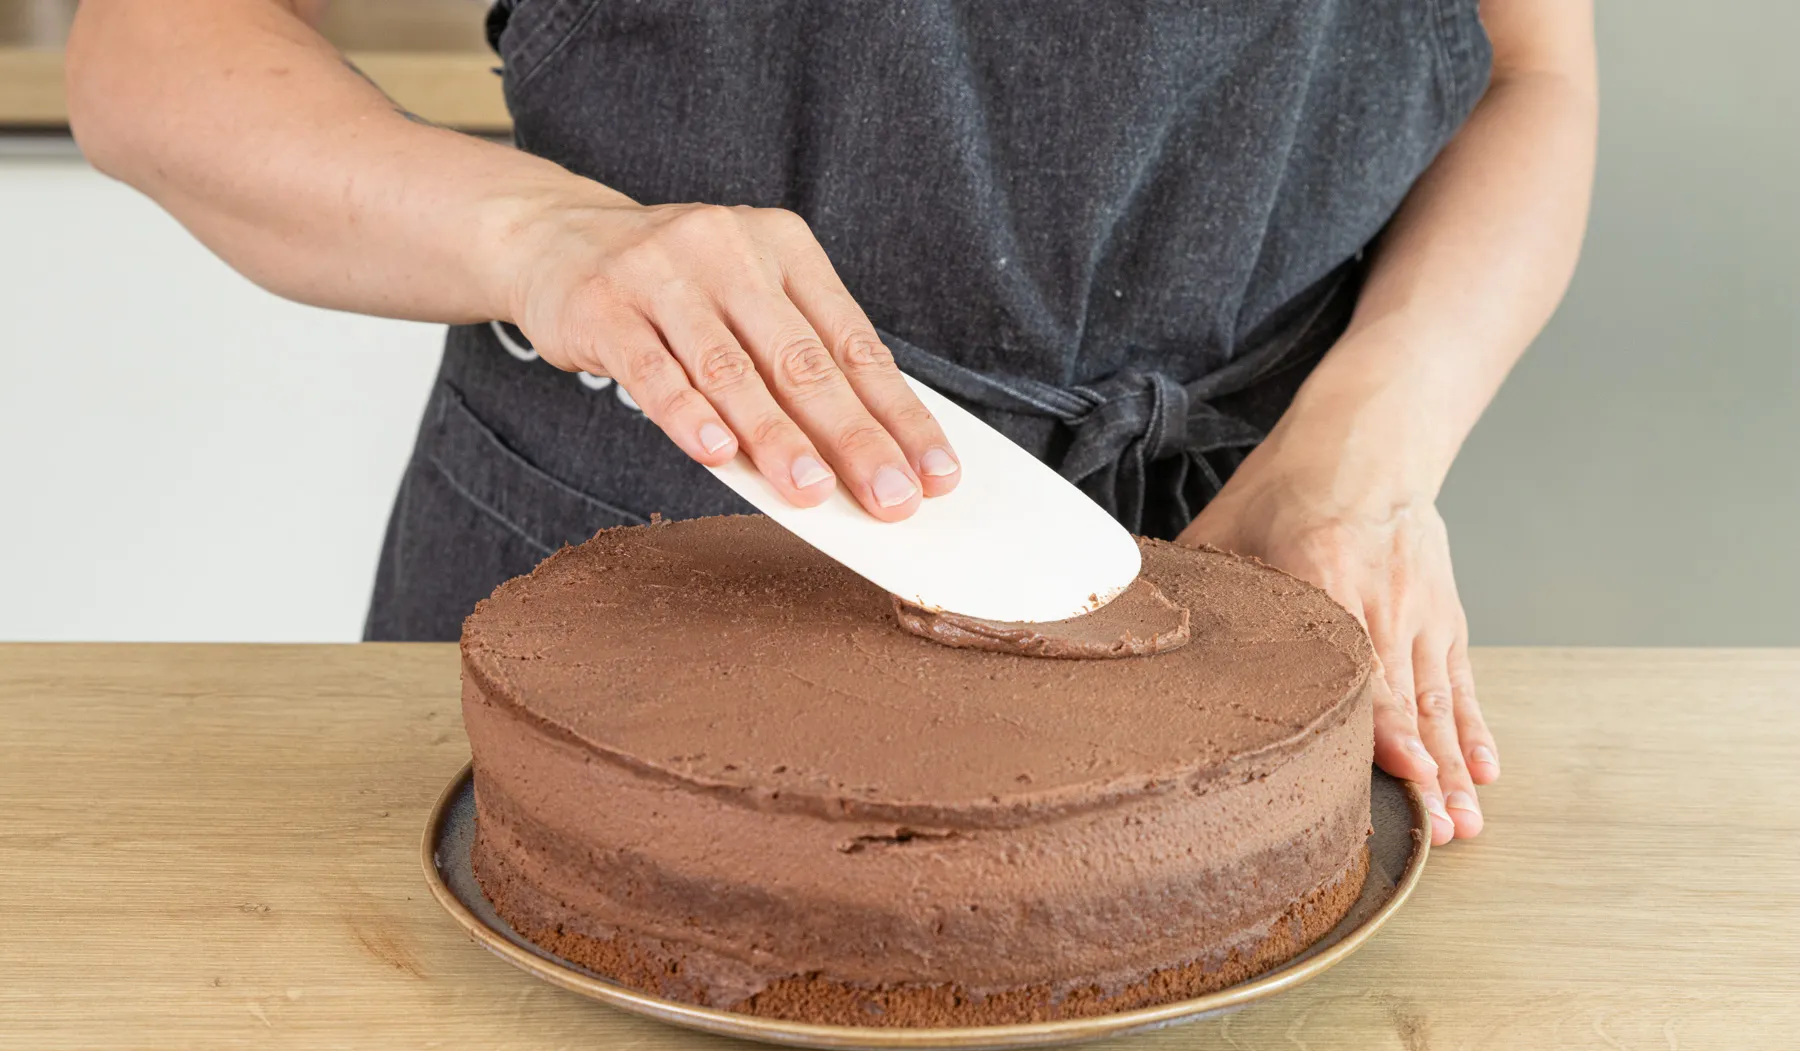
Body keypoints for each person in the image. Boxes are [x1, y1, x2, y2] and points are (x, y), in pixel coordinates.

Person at [67, 0, 1596, 847]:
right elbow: (147, 52)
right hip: (622, 555)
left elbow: (1530, 76)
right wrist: (547, 237)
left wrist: (1361, 459)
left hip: (1248, 572)